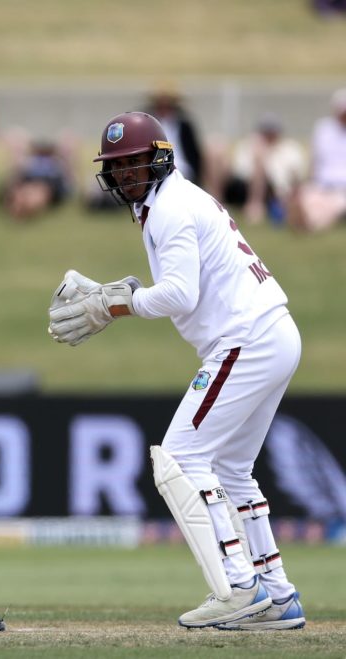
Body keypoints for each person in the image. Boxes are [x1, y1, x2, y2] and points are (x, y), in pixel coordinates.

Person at [47, 113, 305, 630]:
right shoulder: (170, 203)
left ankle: (237, 585)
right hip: (270, 334)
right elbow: (177, 288)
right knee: (231, 470)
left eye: (134, 164)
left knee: (183, 456)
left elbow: (179, 294)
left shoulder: (169, 208)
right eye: (116, 168)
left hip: (245, 339)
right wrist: (116, 295)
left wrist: (114, 305)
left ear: (160, 159)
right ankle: (277, 595)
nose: (125, 176)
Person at [207, 114, 306, 225]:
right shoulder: (248, 145)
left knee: (259, 156)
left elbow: (295, 179)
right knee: (216, 145)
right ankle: (215, 202)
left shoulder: (290, 149)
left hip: (271, 191)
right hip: (242, 184)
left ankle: (255, 206)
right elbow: (238, 168)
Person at [287, 88, 346, 232]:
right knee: (310, 197)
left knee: (333, 207)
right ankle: (305, 215)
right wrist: (310, 180)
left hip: (342, 188)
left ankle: (309, 221)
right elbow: (315, 158)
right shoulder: (324, 129)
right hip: (323, 185)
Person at [0, 130, 75, 221]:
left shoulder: (21, 180)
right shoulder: (59, 190)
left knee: (15, 137)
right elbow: (68, 174)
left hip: (34, 160)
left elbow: (13, 177)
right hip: (55, 161)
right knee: (68, 138)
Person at [145, 84, 205, 185]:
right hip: (155, 165)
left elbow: (194, 153)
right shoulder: (148, 123)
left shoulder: (184, 124)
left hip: (183, 167)